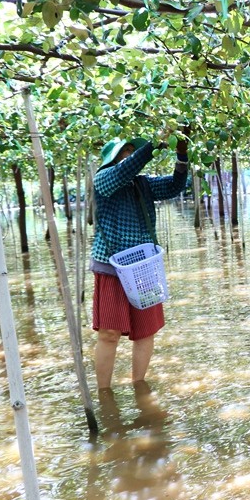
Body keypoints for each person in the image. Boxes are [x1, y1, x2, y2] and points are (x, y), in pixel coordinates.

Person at [90, 135, 188, 388]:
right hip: (111, 266)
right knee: (109, 333)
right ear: (112, 158)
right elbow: (126, 170)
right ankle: (104, 393)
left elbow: (175, 186)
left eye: (132, 151)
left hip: (143, 266)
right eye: (125, 151)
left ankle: (139, 387)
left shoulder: (142, 184)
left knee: (145, 331)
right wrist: (155, 144)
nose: (130, 155)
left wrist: (182, 155)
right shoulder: (104, 179)